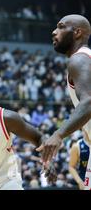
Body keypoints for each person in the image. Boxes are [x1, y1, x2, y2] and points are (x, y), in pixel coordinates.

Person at [37, 14, 91, 189]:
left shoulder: (79, 59)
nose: (54, 32)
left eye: (61, 27)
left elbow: (89, 102)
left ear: (77, 33)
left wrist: (59, 135)